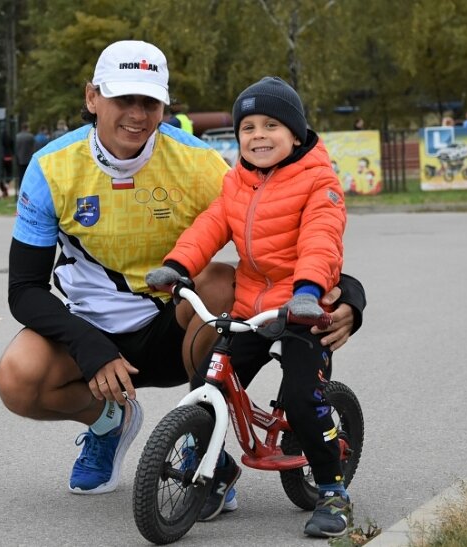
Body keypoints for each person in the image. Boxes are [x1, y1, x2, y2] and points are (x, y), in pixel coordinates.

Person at [0, 40, 365, 504]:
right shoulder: (50, 167)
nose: (136, 113)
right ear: (92, 98)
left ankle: (200, 445)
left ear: (164, 105)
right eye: (122, 98)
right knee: (16, 377)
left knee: (223, 280)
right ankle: (110, 422)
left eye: (148, 101)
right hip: (89, 335)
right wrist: (87, 345)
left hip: (176, 330)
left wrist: (346, 292)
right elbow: (24, 289)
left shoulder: (199, 163)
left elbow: (287, 231)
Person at [146, 76, 352, 538]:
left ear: (296, 134)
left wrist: (307, 290)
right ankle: (217, 473)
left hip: (301, 310)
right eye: (248, 127)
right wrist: (178, 266)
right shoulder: (236, 181)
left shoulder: (320, 182)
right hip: (250, 310)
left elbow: (322, 239)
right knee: (208, 381)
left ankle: (333, 489)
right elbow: (210, 226)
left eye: (272, 125)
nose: (258, 135)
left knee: (303, 398)